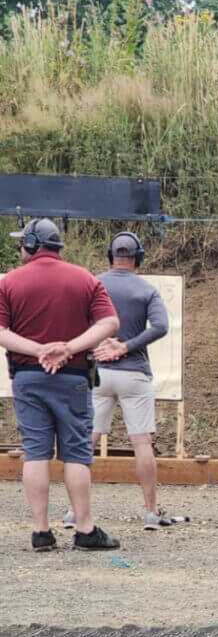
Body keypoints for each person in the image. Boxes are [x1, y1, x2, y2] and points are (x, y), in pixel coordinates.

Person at [0, 218, 121, 552]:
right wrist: (69, 347)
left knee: (35, 452)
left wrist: (37, 349)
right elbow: (110, 322)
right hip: (73, 377)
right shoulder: (84, 278)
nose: (20, 249)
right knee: (76, 455)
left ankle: (41, 532)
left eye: (22, 243)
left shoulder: (10, 281)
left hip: (27, 376)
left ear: (33, 245)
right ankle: (84, 530)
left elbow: (1, 330)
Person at [63, 232, 174, 532]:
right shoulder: (146, 289)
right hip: (134, 372)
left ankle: (75, 513)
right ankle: (151, 512)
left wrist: (95, 346)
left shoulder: (93, 284)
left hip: (97, 373)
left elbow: (75, 321)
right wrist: (126, 346)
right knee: (141, 441)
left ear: (109, 255)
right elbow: (161, 326)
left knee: (89, 439)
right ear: (138, 257)